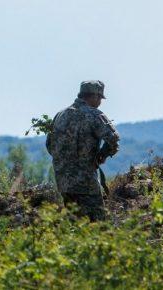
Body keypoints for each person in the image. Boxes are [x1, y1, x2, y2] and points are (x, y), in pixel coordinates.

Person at [46, 80, 120, 221]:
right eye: (99, 99)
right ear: (94, 96)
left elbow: (50, 145)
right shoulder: (94, 115)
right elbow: (114, 139)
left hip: (63, 182)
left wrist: (64, 161)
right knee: (96, 225)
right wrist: (102, 156)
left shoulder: (60, 115)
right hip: (86, 183)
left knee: (74, 224)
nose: (99, 102)